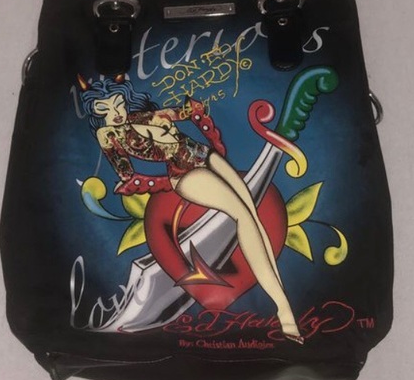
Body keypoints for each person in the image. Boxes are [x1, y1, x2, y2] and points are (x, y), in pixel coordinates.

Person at [80, 77, 303, 343]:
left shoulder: (144, 116)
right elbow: (126, 174)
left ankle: (282, 301)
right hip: (184, 174)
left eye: (118, 103)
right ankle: (284, 309)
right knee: (243, 215)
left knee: (253, 215)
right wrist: (154, 182)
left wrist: (197, 113)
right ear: (96, 114)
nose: (115, 112)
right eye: (104, 109)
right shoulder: (108, 135)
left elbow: (186, 113)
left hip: (206, 154)